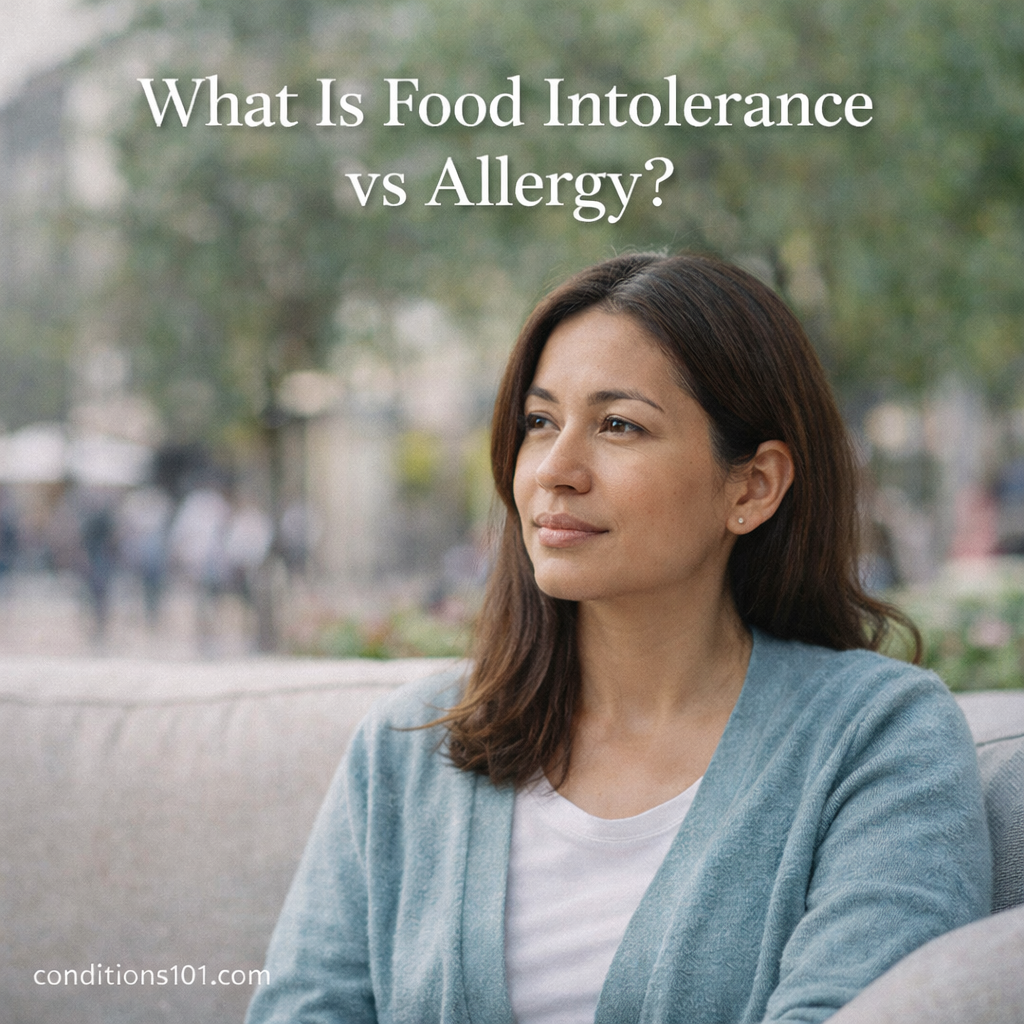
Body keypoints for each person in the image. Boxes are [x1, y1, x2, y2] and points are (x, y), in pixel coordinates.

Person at [246, 253, 991, 1024]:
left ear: (753, 485)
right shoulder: (411, 746)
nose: (556, 470)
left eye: (619, 425)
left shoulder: (878, 738)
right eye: (540, 423)